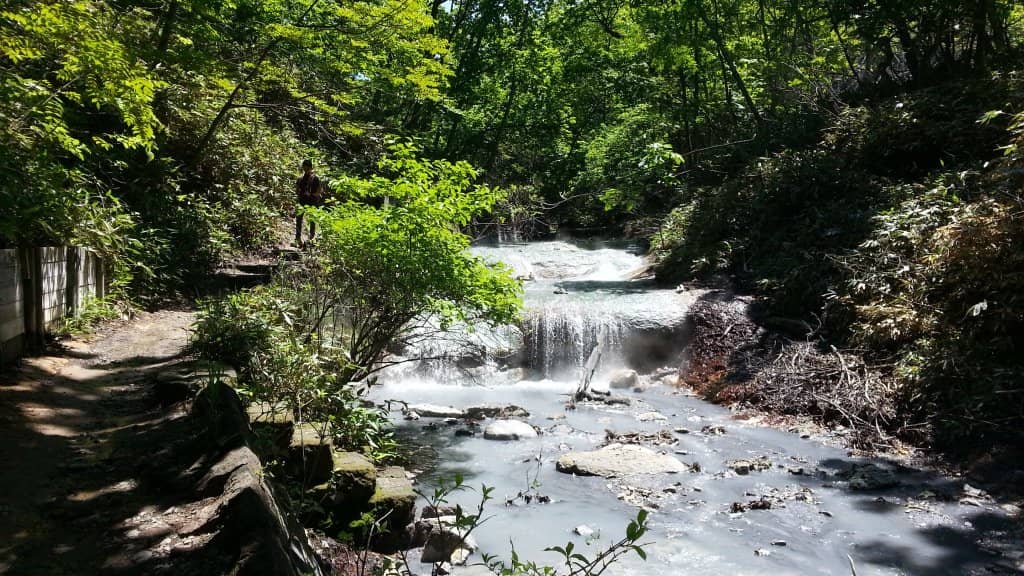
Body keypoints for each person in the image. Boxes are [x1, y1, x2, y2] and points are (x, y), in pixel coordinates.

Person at [295, 159, 323, 246]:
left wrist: (310, 194)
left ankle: (310, 238)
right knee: (300, 219)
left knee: (311, 220)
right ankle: (298, 238)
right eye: (305, 167)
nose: (306, 169)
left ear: (310, 167)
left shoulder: (315, 178)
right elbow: (297, 190)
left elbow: (318, 191)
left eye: (307, 167)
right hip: (303, 201)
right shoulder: (300, 178)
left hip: (311, 201)